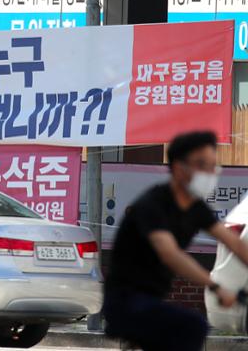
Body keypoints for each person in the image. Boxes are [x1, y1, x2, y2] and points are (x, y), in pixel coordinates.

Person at [103, 131, 248, 351]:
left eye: (213, 165)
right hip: (125, 303)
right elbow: (170, 254)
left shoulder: (196, 208)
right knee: (193, 326)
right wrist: (216, 287)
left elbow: (234, 242)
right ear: (180, 168)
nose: (211, 173)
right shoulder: (152, 205)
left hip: (151, 301)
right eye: (202, 165)